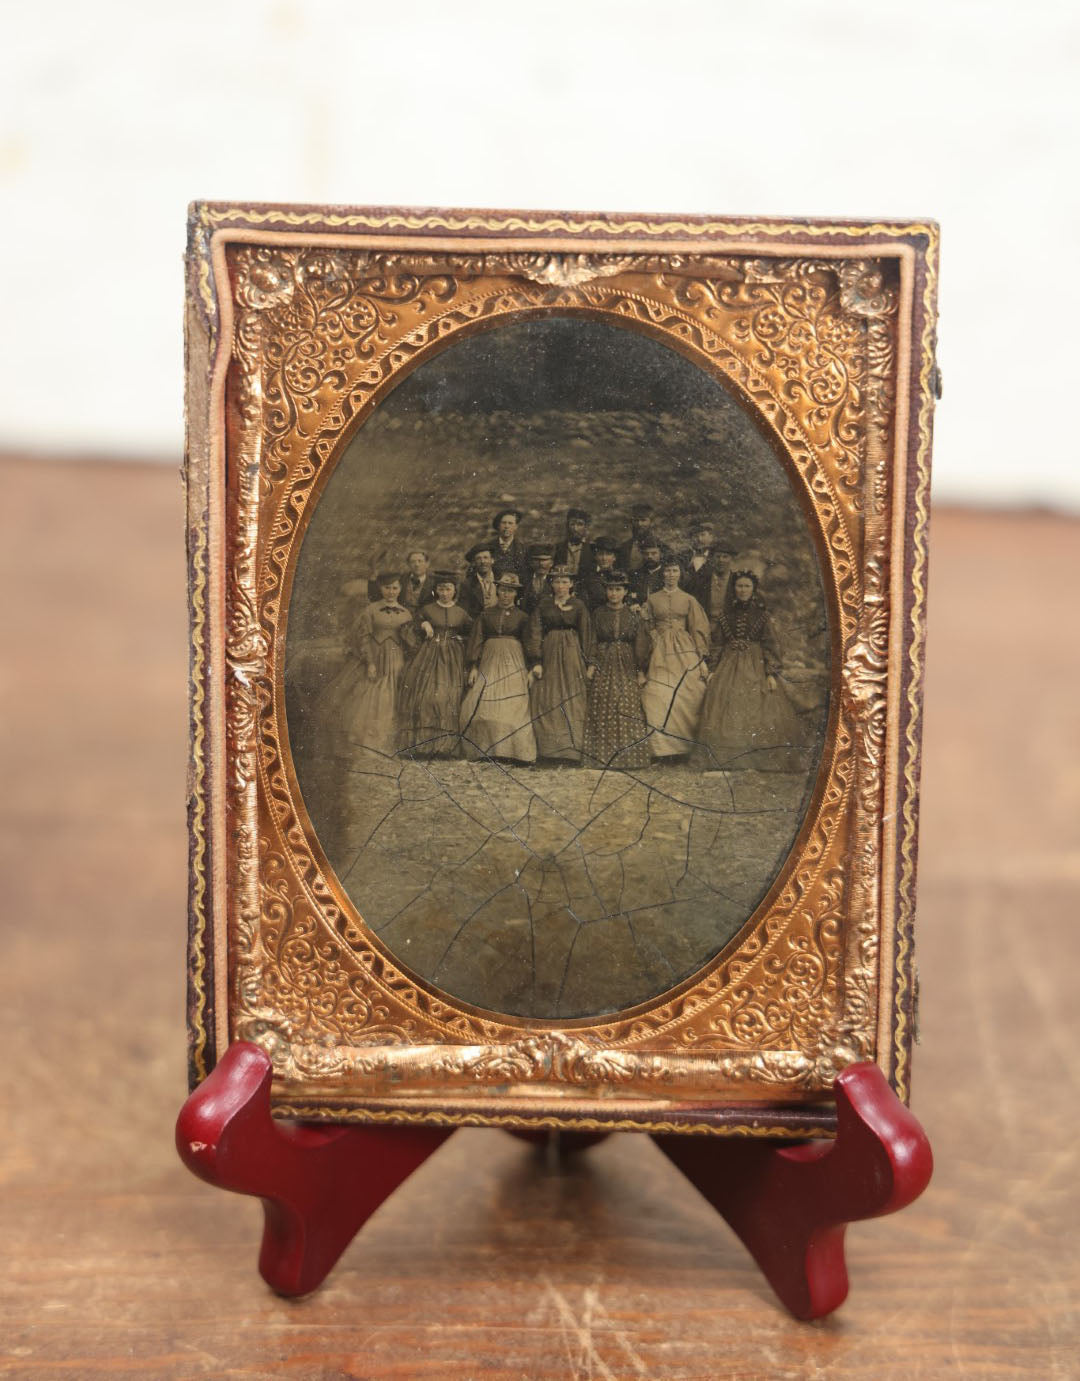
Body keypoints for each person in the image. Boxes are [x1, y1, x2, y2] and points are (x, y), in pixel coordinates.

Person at [694, 571, 806, 772]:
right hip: (728, 666)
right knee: (725, 706)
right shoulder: (724, 616)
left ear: (753, 590)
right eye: (739, 586)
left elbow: (771, 645)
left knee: (757, 708)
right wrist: (712, 670)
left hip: (755, 665)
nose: (742, 590)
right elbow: (718, 644)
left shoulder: (762, 616)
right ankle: (729, 759)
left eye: (746, 586)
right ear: (733, 589)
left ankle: (757, 760)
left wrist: (770, 673)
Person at [459, 573, 537, 764]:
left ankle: (514, 753)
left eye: (510, 591)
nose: (505, 595)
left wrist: (533, 666)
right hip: (489, 660)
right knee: (481, 704)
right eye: (502, 590)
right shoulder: (486, 615)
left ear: (515, 594)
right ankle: (484, 750)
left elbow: (530, 642)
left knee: (513, 706)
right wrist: (474, 666)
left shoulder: (523, 617)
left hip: (514, 661)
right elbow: (476, 640)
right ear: (497, 591)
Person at [640, 558, 710, 759]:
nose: (670, 575)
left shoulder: (689, 599)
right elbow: (646, 625)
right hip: (659, 651)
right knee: (658, 694)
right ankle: (662, 750)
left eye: (674, 571)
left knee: (690, 692)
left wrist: (701, 658)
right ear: (663, 574)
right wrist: (653, 637)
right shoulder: (652, 599)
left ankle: (685, 748)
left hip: (684, 650)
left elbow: (698, 628)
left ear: (680, 574)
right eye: (667, 571)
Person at [582, 570, 652, 770]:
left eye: (618, 590)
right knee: (603, 700)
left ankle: (630, 757)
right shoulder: (597, 614)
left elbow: (640, 643)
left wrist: (640, 670)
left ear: (625, 592)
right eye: (610, 590)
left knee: (628, 702)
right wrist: (592, 663)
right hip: (604, 660)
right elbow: (592, 640)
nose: (613, 594)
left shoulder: (633, 615)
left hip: (627, 662)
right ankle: (602, 756)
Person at [398, 572, 472, 757]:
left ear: (455, 591)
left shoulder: (461, 613)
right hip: (429, 655)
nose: (444, 593)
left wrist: (461, 638)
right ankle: (423, 746)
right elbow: (411, 625)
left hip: (453, 658)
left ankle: (446, 747)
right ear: (435, 590)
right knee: (427, 696)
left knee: (450, 697)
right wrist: (423, 623)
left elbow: (473, 632)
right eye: (441, 589)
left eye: (448, 589)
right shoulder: (428, 610)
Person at [525, 565, 594, 762]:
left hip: (572, 655)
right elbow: (535, 632)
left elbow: (587, 634)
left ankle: (572, 751)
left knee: (573, 698)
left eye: (565, 582)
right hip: (550, 653)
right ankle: (549, 751)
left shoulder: (579, 606)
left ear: (571, 584)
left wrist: (589, 662)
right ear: (551, 584)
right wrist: (536, 661)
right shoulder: (544, 605)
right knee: (548, 697)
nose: (561, 586)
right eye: (557, 581)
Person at [680, 523, 734, 623]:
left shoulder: (719, 558)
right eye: (696, 536)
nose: (699, 539)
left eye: (703, 535)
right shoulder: (684, 557)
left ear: (711, 536)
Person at [459, 541, 498, 617]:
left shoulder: (502, 579)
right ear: (474, 562)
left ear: (492, 560)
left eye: (485, 557)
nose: (483, 562)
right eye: (478, 559)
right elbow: (465, 613)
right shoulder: (467, 585)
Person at [553, 508, 595, 578]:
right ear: (567, 526)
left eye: (580, 524)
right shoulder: (557, 548)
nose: (575, 529)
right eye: (572, 524)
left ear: (585, 527)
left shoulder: (592, 550)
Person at [490, 507, 529, 583]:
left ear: (516, 527)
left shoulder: (524, 548)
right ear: (498, 525)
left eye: (510, 523)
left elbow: (527, 574)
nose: (506, 526)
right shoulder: (488, 547)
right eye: (503, 523)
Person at [579, 536, 619, 610]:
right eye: (600, 554)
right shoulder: (586, 575)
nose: (604, 558)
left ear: (614, 557)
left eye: (608, 554)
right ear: (595, 556)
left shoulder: (621, 575)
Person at [618, 502, 658, 574]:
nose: (639, 524)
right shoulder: (624, 547)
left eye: (643, 520)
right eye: (636, 520)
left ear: (651, 522)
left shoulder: (660, 546)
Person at [523, 544, 555, 613]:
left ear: (551, 563)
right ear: (531, 563)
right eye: (537, 560)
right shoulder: (524, 580)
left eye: (544, 560)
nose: (541, 564)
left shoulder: (556, 581)